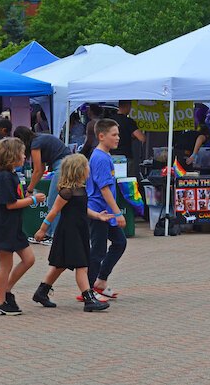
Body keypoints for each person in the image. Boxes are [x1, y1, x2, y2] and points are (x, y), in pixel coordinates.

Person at [31, 153, 113, 311]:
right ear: (79, 170)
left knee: (59, 265)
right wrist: (42, 230)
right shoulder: (66, 192)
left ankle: (41, 292)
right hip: (69, 232)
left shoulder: (81, 189)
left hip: (79, 230)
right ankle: (88, 299)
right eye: (86, 166)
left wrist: (97, 215)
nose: (89, 168)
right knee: (82, 265)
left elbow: (82, 209)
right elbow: (53, 211)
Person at [0, 137, 45, 315]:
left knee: (29, 259)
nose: (24, 156)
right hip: (3, 226)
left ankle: (5, 290)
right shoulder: (5, 178)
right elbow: (10, 204)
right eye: (21, 153)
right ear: (12, 156)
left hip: (14, 226)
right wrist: (32, 200)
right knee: (6, 265)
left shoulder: (12, 175)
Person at [86, 119, 127, 297]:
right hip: (99, 212)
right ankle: (88, 290)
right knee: (98, 250)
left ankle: (100, 281)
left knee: (119, 243)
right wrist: (117, 212)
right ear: (101, 136)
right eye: (114, 134)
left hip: (105, 212)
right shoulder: (100, 158)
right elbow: (104, 189)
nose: (118, 138)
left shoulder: (104, 155)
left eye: (118, 134)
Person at [26, 132, 72, 245]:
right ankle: (48, 234)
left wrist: (30, 189)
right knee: (55, 203)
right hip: (67, 165)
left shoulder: (35, 143)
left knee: (53, 203)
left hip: (62, 167)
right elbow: (40, 170)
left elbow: (37, 170)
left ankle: (54, 236)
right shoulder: (41, 138)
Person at [110, 100, 145, 178]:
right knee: (126, 183)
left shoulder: (110, 120)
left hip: (111, 156)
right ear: (128, 106)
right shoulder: (128, 121)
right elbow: (142, 138)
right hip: (125, 157)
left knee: (113, 181)